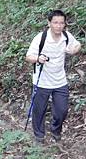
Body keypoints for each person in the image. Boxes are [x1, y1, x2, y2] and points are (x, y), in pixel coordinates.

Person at [25, 9, 81, 144]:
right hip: (42, 81)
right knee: (39, 110)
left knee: (62, 110)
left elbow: (78, 44)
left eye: (61, 23)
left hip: (60, 80)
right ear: (49, 23)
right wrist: (38, 58)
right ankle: (39, 135)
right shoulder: (41, 38)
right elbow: (28, 57)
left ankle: (55, 130)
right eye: (55, 22)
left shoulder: (66, 36)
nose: (58, 26)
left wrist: (74, 50)